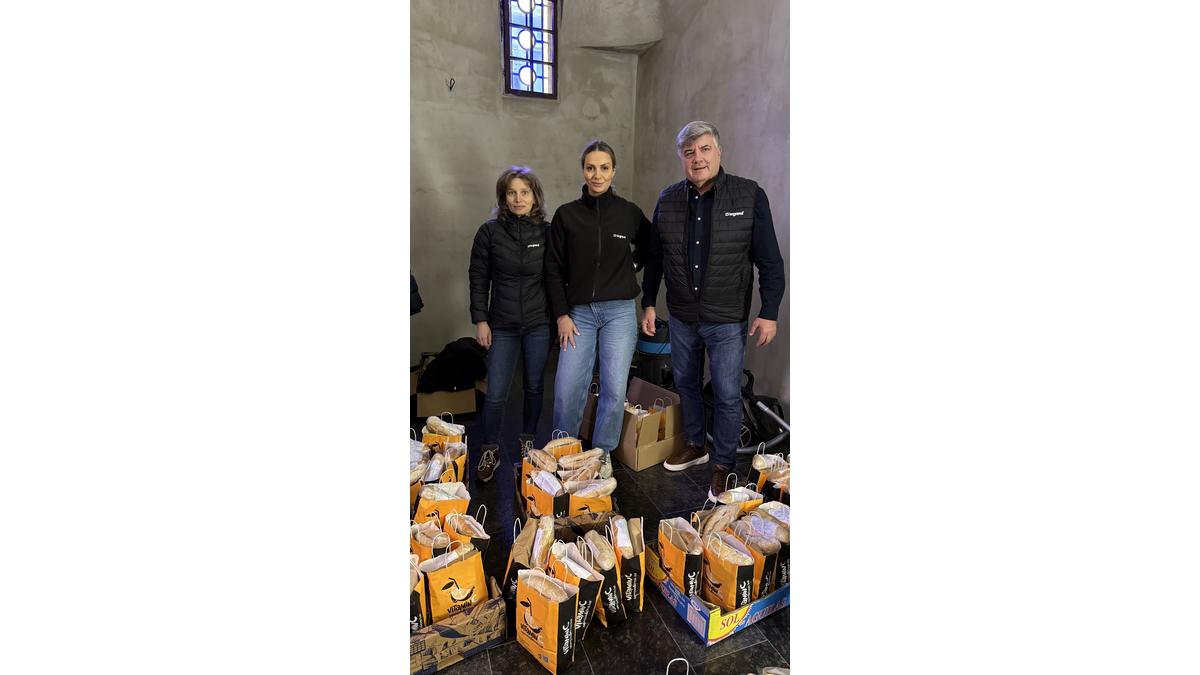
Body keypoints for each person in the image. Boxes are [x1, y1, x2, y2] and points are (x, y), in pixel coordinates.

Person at [640, 121, 786, 500]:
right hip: (683, 316)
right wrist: (649, 301)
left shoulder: (749, 195)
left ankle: (723, 464)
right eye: (689, 152)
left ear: (719, 152)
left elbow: (770, 260)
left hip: (727, 319)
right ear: (682, 158)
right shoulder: (668, 200)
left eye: (705, 149)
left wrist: (769, 311)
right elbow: (655, 259)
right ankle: (695, 445)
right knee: (686, 384)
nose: (698, 158)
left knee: (726, 394)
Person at [545, 140, 650, 479]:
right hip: (579, 315)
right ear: (583, 171)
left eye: (604, 168)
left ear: (613, 171)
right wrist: (562, 314)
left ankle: (601, 455)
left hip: (620, 312)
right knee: (567, 389)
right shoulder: (567, 215)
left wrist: (631, 267)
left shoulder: (628, 212)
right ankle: (563, 452)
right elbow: (552, 268)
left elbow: (652, 246)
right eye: (590, 168)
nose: (597, 174)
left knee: (614, 389)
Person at [468, 166, 552, 482]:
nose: (518, 199)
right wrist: (481, 320)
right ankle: (490, 448)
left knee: (534, 387)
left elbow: (557, 278)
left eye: (524, 192)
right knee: (496, 393)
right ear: (503, 197)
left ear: (535, 197)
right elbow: (478, 279)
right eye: (512, 192)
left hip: (538, 323)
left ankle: (528, 443)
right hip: (501, 324)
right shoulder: (489, 233)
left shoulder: (547, 233)